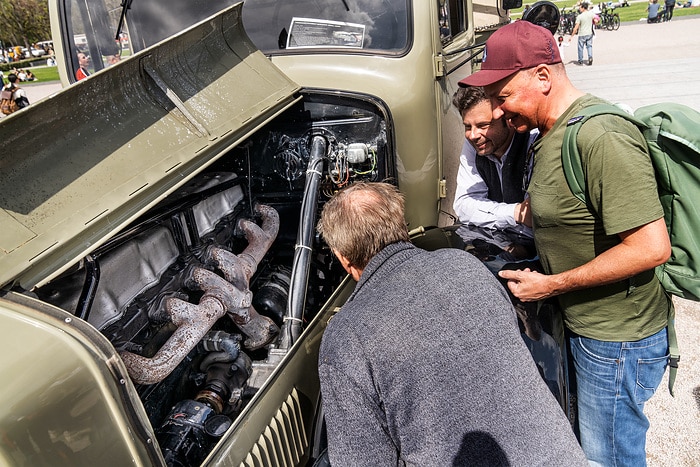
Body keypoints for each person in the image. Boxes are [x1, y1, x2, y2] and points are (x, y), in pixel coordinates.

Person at [460, 21, 672, 466]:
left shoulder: (601, 136)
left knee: (607, 458)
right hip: (586, 327)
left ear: (542, 77)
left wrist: (552, 285)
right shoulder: (548, 135)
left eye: (503, 97)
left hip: (615, 339)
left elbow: (651, 247)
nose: (497, 113)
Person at [316, 181, 587, 466]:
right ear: (401, 225)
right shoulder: (466, 265)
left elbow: (362, 460)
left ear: (342, 257)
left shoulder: (346, 335)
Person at [451, 85, 538, 238]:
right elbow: (463, 206)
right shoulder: (475, 143)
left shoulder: (533, 142)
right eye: (467, 126)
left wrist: (484, 215)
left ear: (507, 120)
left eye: (483, 125)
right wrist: (515, 212)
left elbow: (534, 219)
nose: (473, 135)